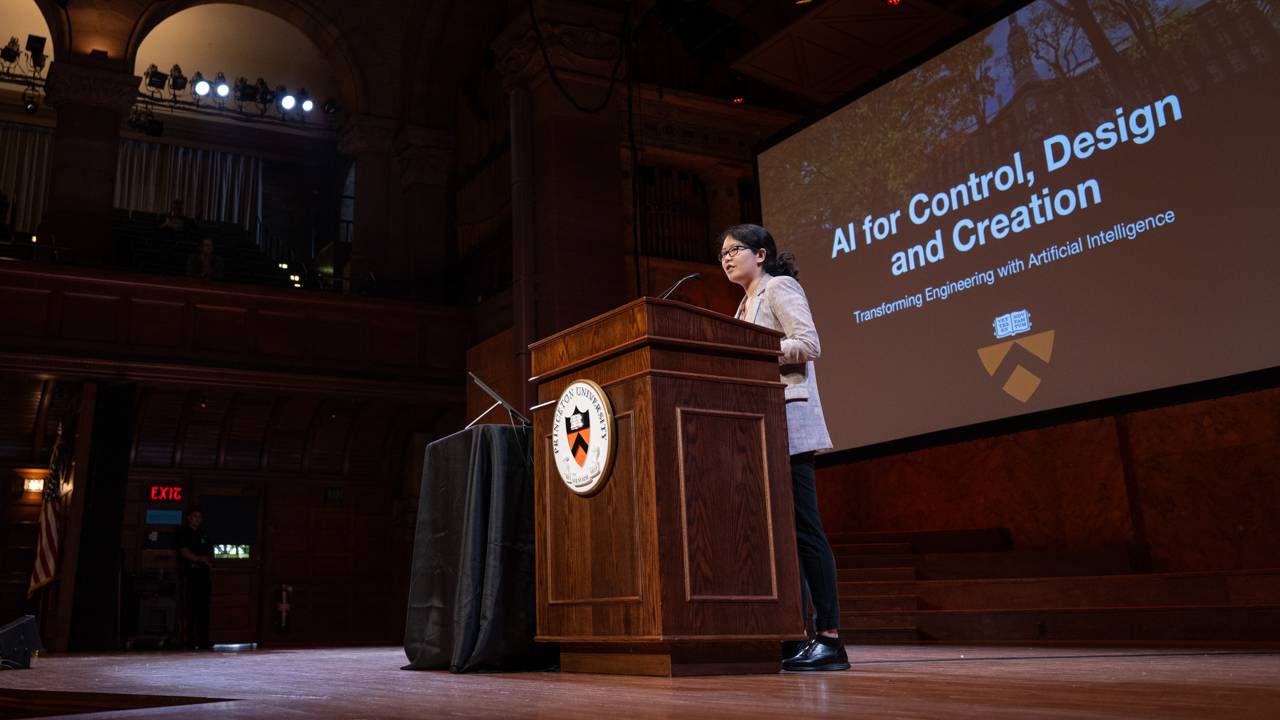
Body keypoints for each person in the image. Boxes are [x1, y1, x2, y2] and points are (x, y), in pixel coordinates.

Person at [718, 223, 848, 672]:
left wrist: (755, 352)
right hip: (758, 433)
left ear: (761, 254)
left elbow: (809, 345)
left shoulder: (779, 288)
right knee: (778, 537)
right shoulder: (740, 308)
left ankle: (830, 639)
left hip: (790, 426)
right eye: (722, 254)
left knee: (805, 529)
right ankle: (794, 634)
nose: (727, 259)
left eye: (734, 250)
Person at [176, 507, 213, 649]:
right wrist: (198, 559)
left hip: (204, 574)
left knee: (204, 608)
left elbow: (210, 550)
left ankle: (203, 640)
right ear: (189, 518)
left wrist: (209, 560)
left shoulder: (204, 533)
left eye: (200, 517)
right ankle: (190, 641)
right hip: (190, 574)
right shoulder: (182, 532)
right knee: (190, 608)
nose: (198, 519)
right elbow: (184, 551)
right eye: (195, 516)